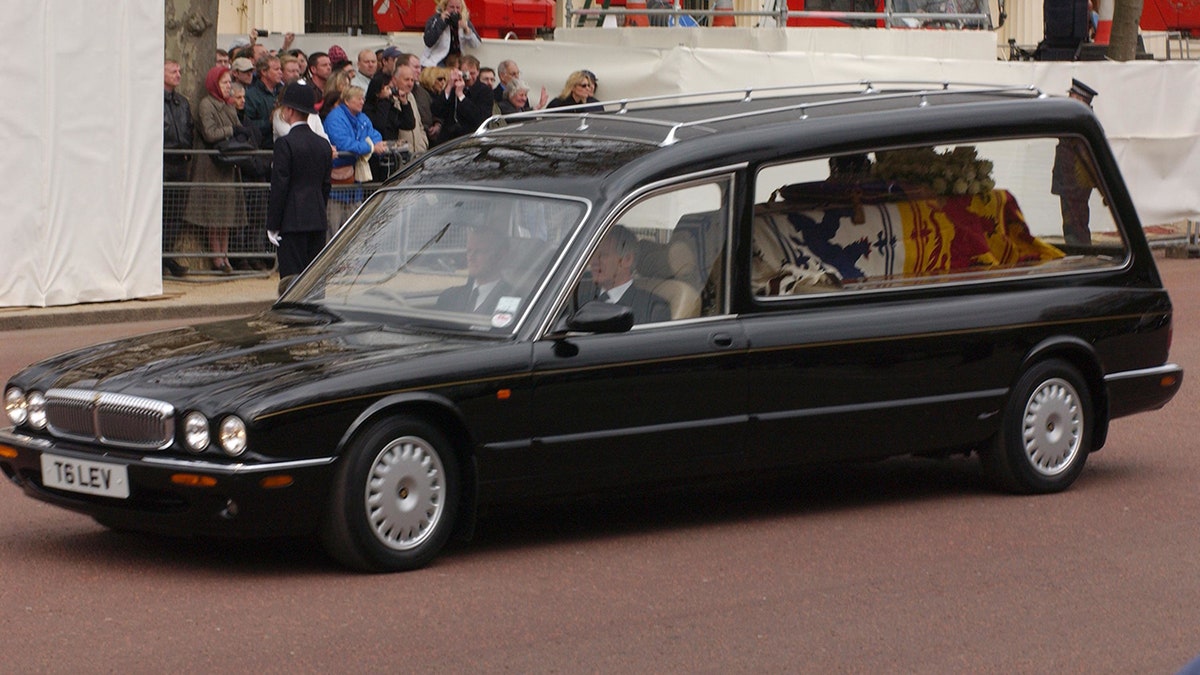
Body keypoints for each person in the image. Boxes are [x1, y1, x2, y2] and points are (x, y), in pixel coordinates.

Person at [268, 81, 333, 295]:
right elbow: (325, 185)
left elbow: (280, 186)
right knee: (315, 278)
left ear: (289, 111)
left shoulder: (285, 144)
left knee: (292, 282)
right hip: (316, 218)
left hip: (291, 220)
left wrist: (273, 224)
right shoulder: (323, 145)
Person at [184, 65, 246, 274]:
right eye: (224, 82)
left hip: (229, 165)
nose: (229, 86)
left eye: (230, 82)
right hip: (212, 165)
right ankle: (216, 256)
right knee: (214, 215)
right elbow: (210, 133)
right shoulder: (206, 105)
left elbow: (239, 128)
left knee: (227, 216)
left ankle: (225, 255)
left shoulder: (228, 106)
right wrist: (231, 130)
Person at [323, 86, 386, 238]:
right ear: (347, 100)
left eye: (363, 98)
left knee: (355, 231)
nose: (362, 101)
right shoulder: (335, 118)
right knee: (332, 230)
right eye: (358, 98)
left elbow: (375, 135)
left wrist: (370, 144)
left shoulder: (362, 117)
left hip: (354, 185)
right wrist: (370, 146)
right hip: (335, 186)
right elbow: (344, 144)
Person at [586, 225, 670, 325]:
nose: (593, 261)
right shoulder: (576, 297)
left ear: (627, 259)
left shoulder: (652, 309)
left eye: (603, 255)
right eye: (592, 254)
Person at [1052, 79, 1100, 246]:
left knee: (1075, 223)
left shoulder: (1080, 122)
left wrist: (1100, 185)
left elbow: (1086, 156)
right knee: (1074, 221)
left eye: (1071, 95)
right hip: (1070, 181)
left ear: (1080, 99)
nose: (1068, 97)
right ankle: (1080, 252)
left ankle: (1081, 254)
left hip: (1075, 183)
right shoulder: (1077, 119)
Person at [163, 59, 193, 278]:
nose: (178, 74)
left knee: (175, 213)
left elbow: (188, 128)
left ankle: (167, 255)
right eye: (173, 70)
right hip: (162, 160)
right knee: (160, 211)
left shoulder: (182, 102)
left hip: (180, 161)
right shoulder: (154, 100)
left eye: (179, 70)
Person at [436, 227, 513, 313]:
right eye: (469, 251)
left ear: (500, 256)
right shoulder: (448, 297)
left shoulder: (511, 299)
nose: (470, 257)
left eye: (479, 251)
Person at [421, 0, 481, 67]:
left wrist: (466, 29)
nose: (455, 11)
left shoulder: (464, 20)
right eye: (452, 7)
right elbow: (429, 41)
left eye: (458, 8)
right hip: (438, 59)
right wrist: (441, 23)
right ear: (444, 7)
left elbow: (476, 44)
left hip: (457, 60)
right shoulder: (436, 19)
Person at [244, 54, 284, 148]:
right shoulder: (251, 95)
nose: (280, 72)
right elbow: (248, 124)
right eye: (276, 69)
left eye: (280, 69)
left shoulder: (283, 92)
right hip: (263, 146)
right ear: (264, 72)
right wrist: (270, 121)